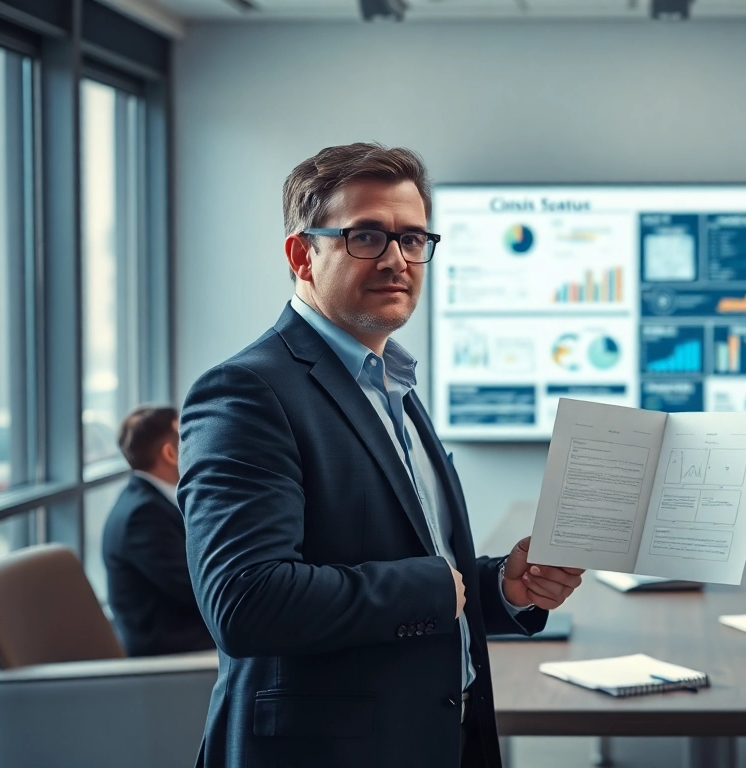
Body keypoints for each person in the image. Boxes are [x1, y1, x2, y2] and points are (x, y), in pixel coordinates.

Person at [178, 143, 583, 768]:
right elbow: (245, 601)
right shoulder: (248, 392)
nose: (397, 259)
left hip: (438, 734)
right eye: (367, 236)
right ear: (301, 254)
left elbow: (412, 565)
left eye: (414, 238)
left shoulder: (391, 382)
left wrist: (502, 585)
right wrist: (431, 589)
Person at [102, 405, 215, 657]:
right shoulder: (142, 516)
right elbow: (196, 588)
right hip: (170, 649)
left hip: (188, 632)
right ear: (170, 453)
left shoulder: (151, 501)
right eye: (190, 439)